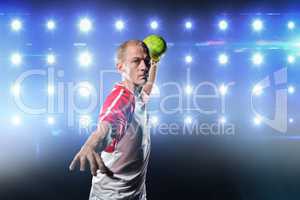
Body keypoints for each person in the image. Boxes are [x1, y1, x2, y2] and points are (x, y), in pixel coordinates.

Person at [69, 39, 159, 200]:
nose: (144, 67)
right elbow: (107, 126)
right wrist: (91, 144)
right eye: (136, 61)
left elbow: (148, 88)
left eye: (146, 61)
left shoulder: (137, 94)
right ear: (121, 67)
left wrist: (155, 62)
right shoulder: (122, 98)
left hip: (137, 195)